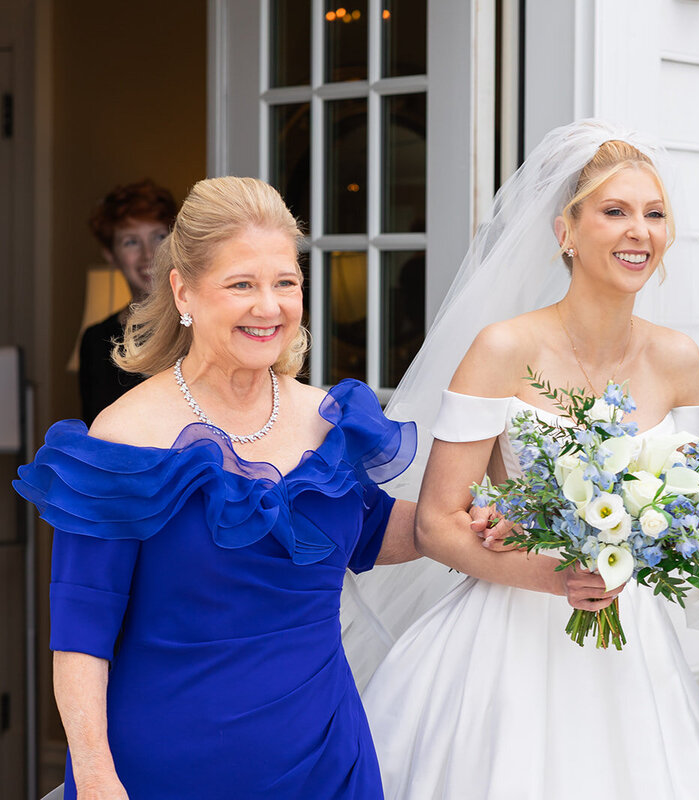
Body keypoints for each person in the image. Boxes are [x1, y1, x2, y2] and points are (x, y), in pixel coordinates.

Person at [351, 120, 699, 799]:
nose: (640, 231)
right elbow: (438, 523)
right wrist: (553, 576)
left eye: (654, 214)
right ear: (566, 230)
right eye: (615, 211)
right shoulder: (503, 349)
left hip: (631, 646)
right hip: (506, 646)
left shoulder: (679, 359)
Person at [14, 177, 440, 798]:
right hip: (165, 767)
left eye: (285, 283)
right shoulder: (125, 435)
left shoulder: (327, 418)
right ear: (184, 291)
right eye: (242, 284)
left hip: (325, 757)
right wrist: (96, 773)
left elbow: (371, 531)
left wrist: (477, 518)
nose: (269, 307)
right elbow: (81, 631)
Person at [79, 179, 177, 424]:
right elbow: (97, 437)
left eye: (159, 237)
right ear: (111, 255)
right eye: (131, 241)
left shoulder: (201, 323)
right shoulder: (96, 340)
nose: (148, 254)